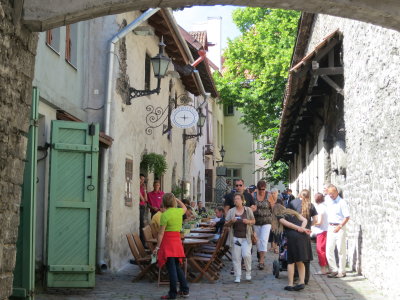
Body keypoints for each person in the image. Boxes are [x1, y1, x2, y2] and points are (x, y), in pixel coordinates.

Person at [154, 193, 189, 299]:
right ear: (173, 202)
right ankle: (184, 289)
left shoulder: (165, 215)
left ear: (164, 202)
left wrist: (157, 247)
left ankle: (172, 293)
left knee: (172, 269)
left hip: (168, 242)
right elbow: (185, 207)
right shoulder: (179, 212)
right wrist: (177, 199)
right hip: (177, 241)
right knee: (177, 267)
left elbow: (161, 233)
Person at [271, 204, 312, 291]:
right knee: (300, 261)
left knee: (291, 261)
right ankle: (301, 282)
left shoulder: (280, 216)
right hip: (304, 236)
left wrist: (299, 229)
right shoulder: (293, 212)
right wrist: (302, 228)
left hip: (293, 237)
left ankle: (290, 284)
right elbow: (305, 220)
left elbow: (289, 224)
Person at [288, 189, 318, 283]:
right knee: (305, 256)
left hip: (294, 231)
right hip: (305, 233)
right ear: (308, 196)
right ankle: (305, 278)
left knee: (295, 255)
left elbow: (288, 216)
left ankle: (296, 276)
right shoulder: (311, 205)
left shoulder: (292, 203)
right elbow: (316, 220)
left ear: (300, 194)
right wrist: (309, 225)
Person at [225, 193, 256, 283]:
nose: (236, 200)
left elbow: (254, 221)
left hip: (246, 237)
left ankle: (248, 272)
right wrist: (231, 221)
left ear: (242, 200)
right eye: (235, 199)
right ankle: (237, 275)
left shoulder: (248, 210)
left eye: (238, 199)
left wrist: (248, 221)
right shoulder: (231, 211)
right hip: (235, 237)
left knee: (246, 255)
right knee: (236, 257)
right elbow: (226, 223)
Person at [325, 184, 350, 278]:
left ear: (337, 192)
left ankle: (342, 271)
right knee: (329, 250)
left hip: (339, 227)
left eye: (332, 193)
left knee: (341, 250)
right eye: (329, 194)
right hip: (330, 227)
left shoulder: (342, 202)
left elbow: (347, 217)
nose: (330, 195)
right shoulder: (329, 200)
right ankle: (334, 269)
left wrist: (339, 226)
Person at [252, 180, 272, 270]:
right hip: (256, 221)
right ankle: (260, 254)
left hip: (267, 221)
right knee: (258, 241)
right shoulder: (253, 196)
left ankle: (261, 261)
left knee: (264, 240)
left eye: (263, 189)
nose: (262, 191)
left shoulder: (269, 195)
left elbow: (273, 207)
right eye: (260, 189)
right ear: (257, 188)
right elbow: (250, 207)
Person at [312, 192, 329, 275]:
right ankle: (327, 267)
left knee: (320, 250)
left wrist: (311, 223)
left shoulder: (320, 208)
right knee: (325, 250)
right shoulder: (325, 206)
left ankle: (323, 269)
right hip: (325, 230)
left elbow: (319, 222)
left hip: (321, 230)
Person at [268, 188, 280, 253]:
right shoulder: (269, 201)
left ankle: (276, 248)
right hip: (270, 218)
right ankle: (272, 246)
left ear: (277, 193)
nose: (273, 194)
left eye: (274, 193)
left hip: (277, 219)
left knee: (276, 233)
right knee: (271, 233)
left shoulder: (279, 201)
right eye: (272, 193)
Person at [139, 173, 148, 246]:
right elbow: (142, 199)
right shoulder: (137, 187)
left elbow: (146, 199)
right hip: (139, 207)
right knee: (141, 225)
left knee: (142, 225)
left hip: (142, 207)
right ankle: (142, 244)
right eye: (141, 179)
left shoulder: (142, 188)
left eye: (143, 180)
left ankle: (143, 243)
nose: (142, 181)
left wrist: (145, 190)